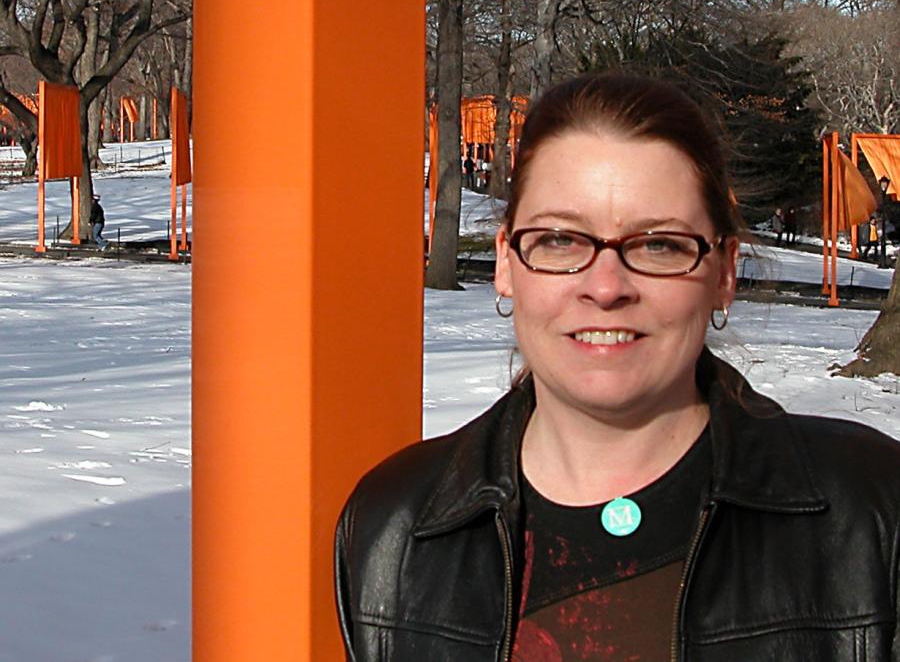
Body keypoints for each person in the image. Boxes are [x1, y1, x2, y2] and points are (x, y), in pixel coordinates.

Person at [335, 73, 900, 661]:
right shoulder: (393, 529)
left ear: (725, 273)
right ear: (507, 261)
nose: (605, 287)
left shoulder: (870, 514)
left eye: (659, 245)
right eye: (560, 240)